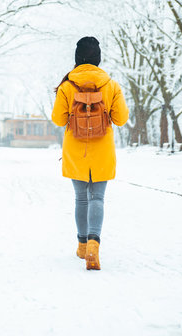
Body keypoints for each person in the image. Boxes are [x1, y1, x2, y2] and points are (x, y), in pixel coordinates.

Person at [51, 36, 129, 270]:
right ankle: (95, 243)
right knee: (98, 197)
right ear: (98, 58)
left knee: (81, 198)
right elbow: (121, 119)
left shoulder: (67, 85)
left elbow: (58, 119)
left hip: (76, 149)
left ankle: (82, 245)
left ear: (77, 58)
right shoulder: (111, 85)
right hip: (102, 149)